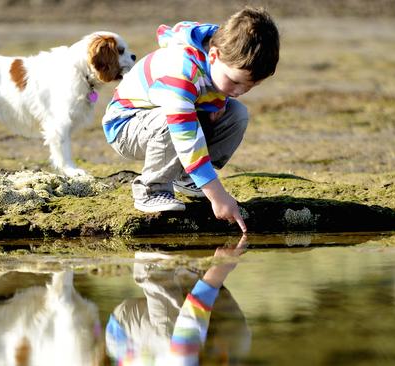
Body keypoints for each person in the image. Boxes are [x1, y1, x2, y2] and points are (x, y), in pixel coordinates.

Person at [102, 7, 280, 232]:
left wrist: (220, 101)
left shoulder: (226, 56)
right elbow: (184, 135)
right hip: (127, 126)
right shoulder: (180, 71)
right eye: (235, 82)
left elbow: (213, 88)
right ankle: (151, 189)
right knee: (173, 123)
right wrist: (217, 196)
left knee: (237, 114)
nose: (239, 91)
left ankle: (187, 178)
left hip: (167, 120)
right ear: (213, 55)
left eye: (251, 86)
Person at [105, 235, 250, 365]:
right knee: (237, 340)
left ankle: (156, 266)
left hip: (124, 337)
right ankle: (191, 274)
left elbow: (190, 319)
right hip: (177, 347)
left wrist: (220, 268)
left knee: (174, 342)